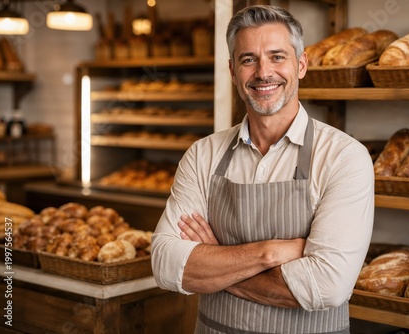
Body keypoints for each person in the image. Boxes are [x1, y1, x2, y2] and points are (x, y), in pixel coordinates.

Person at [151, 5, 374, 334]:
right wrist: (270, 253)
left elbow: (328, 285)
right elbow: (166, 264)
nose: (263, 72)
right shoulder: (203, 154)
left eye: (277, 57)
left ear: (301, 65)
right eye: (248, 59)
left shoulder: (344, 157)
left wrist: (216, 262)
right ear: (232, 71)